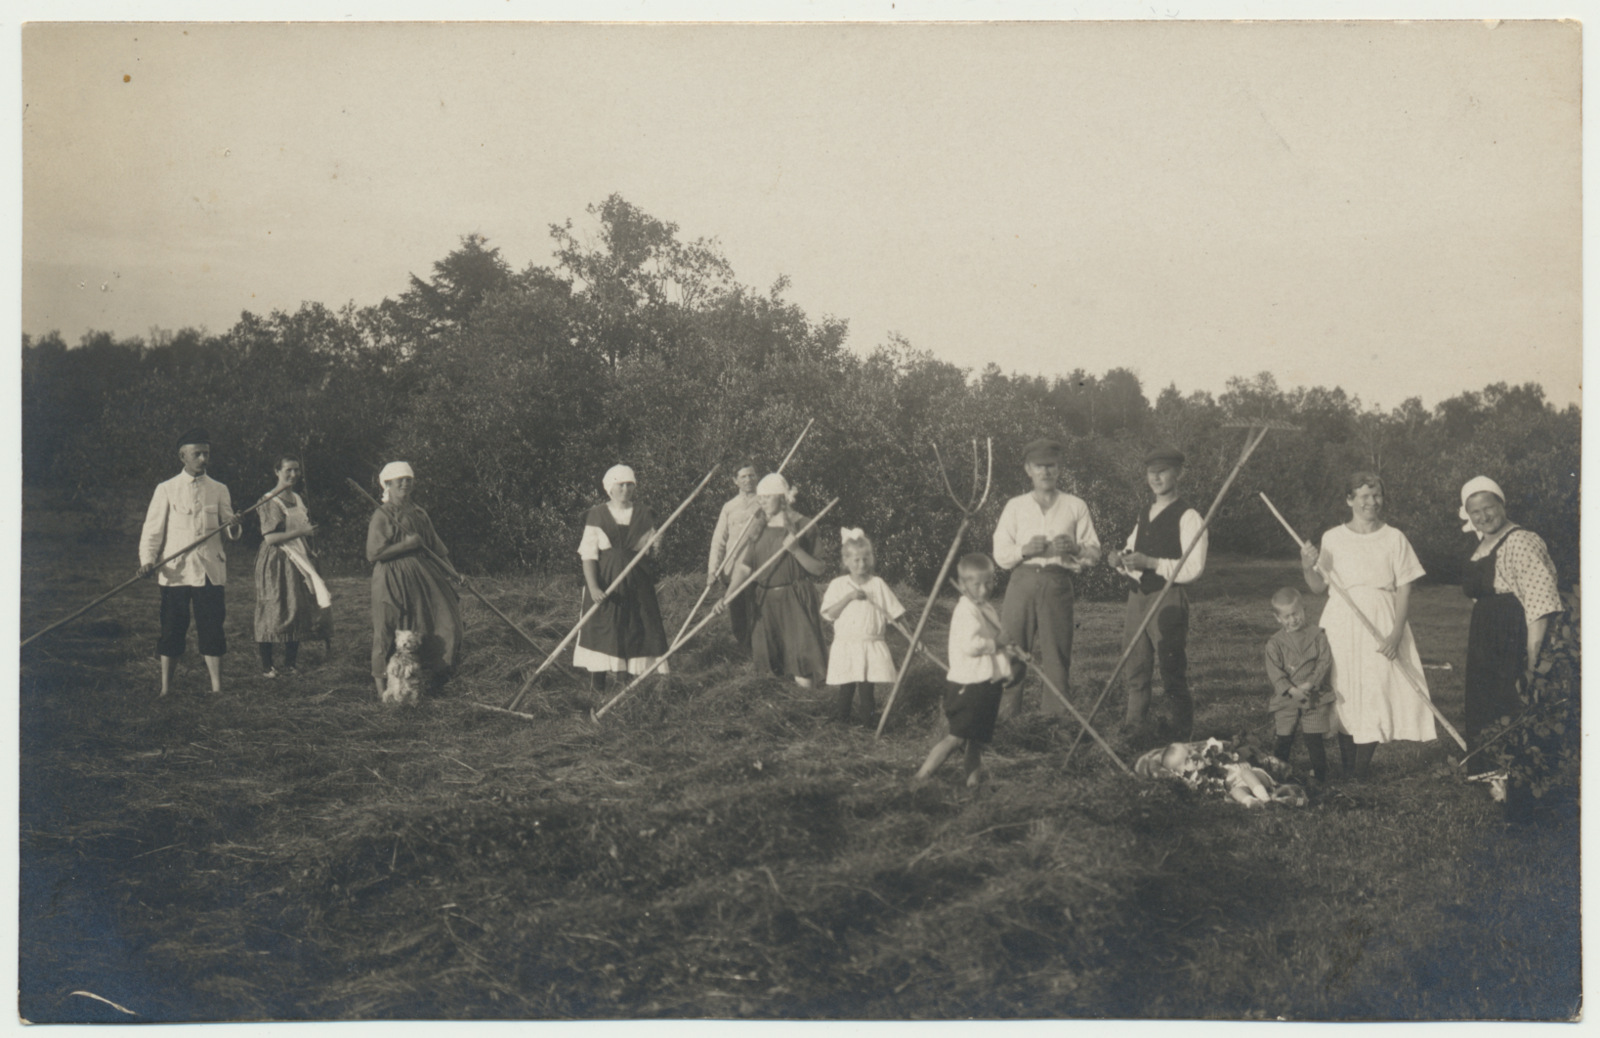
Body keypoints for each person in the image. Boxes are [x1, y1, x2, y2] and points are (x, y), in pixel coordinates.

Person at [1300, 471, 1435, 781]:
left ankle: (1360, 772)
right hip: (1341, 620)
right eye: (1364, 496)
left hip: (1382, 618)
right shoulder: (1332, 537)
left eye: (1376, 496)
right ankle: (1348, 768)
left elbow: (1404, 587)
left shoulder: (1394, 537)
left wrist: (1397, 631)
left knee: (1376, 689)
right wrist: (1307, 566)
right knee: (1344, 688)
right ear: (1350, 500)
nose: (1372, 502)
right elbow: (1319, 588)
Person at [1458, 476, 1562, 778]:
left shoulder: (1521, 540)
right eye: (1475, 512)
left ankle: (1517, 775)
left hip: (1514, 633)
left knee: (1511, 698)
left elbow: (1540, 602)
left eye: (1488, 508)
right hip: (1486, 636)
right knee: (1484, 701)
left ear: (1502, 504)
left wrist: (1533, 656)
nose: (1483, 517)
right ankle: (1489, 772)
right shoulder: (1482, 544)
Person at [992, 438, 1101, 720]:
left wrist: (1075, 549)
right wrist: (1024, 550)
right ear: (1028, 469)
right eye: (1039, 467)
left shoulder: (1075, 506)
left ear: (1059, 468)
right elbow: (1000, 555)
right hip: (1022, 582)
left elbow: (1094, 554)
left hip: (1057, 583)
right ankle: (1006, 721)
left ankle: (1054, 724)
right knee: (1011, 650)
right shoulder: (1015, 507)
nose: (1046, 472)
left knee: (1056, 656)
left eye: (1051, 466)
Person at [1107, 446, 1207, 741]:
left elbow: (1193, 568)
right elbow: (1131, 550)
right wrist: (1121, 561)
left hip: (1169, 600)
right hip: (1138, 597)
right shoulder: (1145, 513)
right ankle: (1134, 730)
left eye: (1163, 471)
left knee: (1171, 670)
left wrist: (1151, 563)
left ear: (1179, 474)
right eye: (1151, 472)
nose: (1156, 477)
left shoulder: (1189, 517)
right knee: (1136, 667)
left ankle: (1180, 738)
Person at [139, 428, 242, 696]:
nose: (203, 458)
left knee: (212, 629)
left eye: (206, 453)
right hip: (176, 573)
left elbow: (230, 531)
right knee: (172, 629)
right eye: (197, 453)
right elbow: (152, 531)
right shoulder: (166, 489)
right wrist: (148, 560)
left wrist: (233, 525)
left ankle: (217, 690)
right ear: (182, 456)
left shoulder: (219, 489)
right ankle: (165, 690)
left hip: (210, 571)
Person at [914, 553, 1018, 788]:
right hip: (968, 685)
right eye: (976, 584)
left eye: (989, 582)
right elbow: (971, 645)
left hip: (986, 683)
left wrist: (1010, 650)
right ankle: (920, 777)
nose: (984, 589)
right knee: (956, 738)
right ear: (962, 585)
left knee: (976, 740)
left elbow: (995, 639)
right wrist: (997, 643)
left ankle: (972, 785)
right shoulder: (966, 611)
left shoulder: (986, 608)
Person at [718, 472, 827, 687]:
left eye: (767, 497)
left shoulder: (804, 525)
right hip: (765, 602)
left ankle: (809, 706)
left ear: (782, 498)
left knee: (802, 672)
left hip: (795, 601)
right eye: (760, 497)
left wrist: (796, 550)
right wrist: (727, 596)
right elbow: (744, 568)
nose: (762, 502)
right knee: (770, 672)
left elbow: (819, 568)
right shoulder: (758, 528)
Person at [366, 462, 463, 698]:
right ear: (387, 484)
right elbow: (373, 554)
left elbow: (437, 548)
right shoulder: (382, 514)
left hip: (422, 576)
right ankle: (382, 691)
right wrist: (406, 545)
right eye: (399, 479)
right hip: (391, 578)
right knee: (388, 630)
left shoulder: (419, 513)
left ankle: (434, 677)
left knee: (446, 623)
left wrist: (454, 573)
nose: (404, 483)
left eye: (408, 479)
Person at [574, 465, 671, 693]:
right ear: (610, 488)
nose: (626, 489)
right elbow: (588, 556)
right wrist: (594, 587)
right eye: (621, 485)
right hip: (606, 582)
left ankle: (624, 684)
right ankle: (597, 688)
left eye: (630, 484)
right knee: (603, 629)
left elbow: (652, 553)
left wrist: (657, 542)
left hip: (637, 582)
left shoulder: (644, 514)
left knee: (634, 628)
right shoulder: (597, 515)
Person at [253, 455, 332, 678]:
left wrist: (309, 549)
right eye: (288, 470)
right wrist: (303, 534)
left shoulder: (297, 498)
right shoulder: (269, 499)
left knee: (296, 606)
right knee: (273, 606)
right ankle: (268, 665)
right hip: (276, 558)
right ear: (277, 471)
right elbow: (270, 538)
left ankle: (290, 663)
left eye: (297, 470)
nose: (293, 475)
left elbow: (302, 528)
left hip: (297, 556)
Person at [820, 528, 907, 725]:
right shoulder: (838, 584)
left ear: (871, 559)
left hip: (870, 643)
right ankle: (841, 719)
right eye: (856, 560)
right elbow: (829, 614)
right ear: (846, 562)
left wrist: (912, 636)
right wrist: (849, 597)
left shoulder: (877, 584)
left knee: (867, 685)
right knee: (847, 684)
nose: (861, 564)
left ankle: (867, 721)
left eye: (865, 559)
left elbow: (896, 613)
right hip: (847, 644)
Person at [1264, 587, 1333, 784]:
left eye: (1295, 614)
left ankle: (1320, 777)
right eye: (1286, 617)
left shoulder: (1317, 635)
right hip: (1287, 697)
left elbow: (1324, 661)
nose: (1292, 620)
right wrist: (1291, 689)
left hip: (1313, 695)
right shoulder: (1275, 643)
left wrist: (1311, 683)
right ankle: (1277, 777)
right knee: (1284, 738)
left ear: (1303, 609)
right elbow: (1275, 672)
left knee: (1314, 739)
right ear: (1277, 618)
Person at [705, 462, 764, 650]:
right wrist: (712, 570)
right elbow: (718, 541)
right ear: (735, 481)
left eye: (751, 475)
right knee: (738, 615)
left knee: (758, 611)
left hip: (758, 567)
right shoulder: (729, 507)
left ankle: (760, 653)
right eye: (743, 477)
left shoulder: (765, 502)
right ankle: (745, 652)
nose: (748, 480)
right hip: (733, 570)